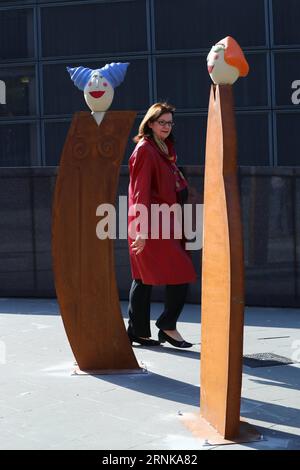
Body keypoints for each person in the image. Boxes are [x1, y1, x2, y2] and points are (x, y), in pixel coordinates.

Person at [127, 102, 197, 348]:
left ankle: (138, 331)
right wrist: (141, 230)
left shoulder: (163, 149)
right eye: (162, 122)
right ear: (150, 124)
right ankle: (165, 327)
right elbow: (140, 192)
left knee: (144, 277)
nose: (166, 126)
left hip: (165, 220)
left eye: (169, 122)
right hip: (151, 223)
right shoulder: (146, 150)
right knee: (179, 271)